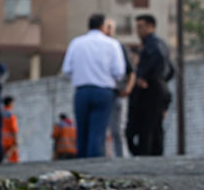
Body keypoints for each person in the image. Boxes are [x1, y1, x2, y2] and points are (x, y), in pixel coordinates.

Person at [61, 13, 128, 158]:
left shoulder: (76, 43)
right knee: (98, 132)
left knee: (82, 131)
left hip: (82, 91)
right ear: (103, 26)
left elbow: (66, 70)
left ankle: (81, 165)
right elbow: (119, 72)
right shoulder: (112, 44)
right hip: (104, 92)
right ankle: (93, 165)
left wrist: (80, 76)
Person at [126, 14, 175, 156]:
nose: (138, 30)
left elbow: (160, 59)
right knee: (151, 128)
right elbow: (170, 69)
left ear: (151, 27)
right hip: (157, 89)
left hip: (151, 91)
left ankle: (146, 159)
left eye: (141, 27)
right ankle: (151, 158)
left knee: (146, 128)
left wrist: (144, 77)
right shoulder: (154, 44)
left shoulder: (154, 44)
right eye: (137, 27)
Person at [101, 19, 135, 158]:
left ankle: (121, 157)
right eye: (106, 27)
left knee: (117, 130)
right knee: (101, 130)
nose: (108, 30)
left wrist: (128, 88)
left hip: (117, 93)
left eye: (110, 27)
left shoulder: (119, 47)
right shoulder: (96, 47)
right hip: (103, 93)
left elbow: (131, 71)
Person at [1, 96, 20, 163]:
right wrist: (16, 140)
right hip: (10, 141)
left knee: (3, 158)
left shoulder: (0, 113)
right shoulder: (10, 114)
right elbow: (13, 128)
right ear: (10, 103)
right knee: (13, 160)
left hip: (2, 140)